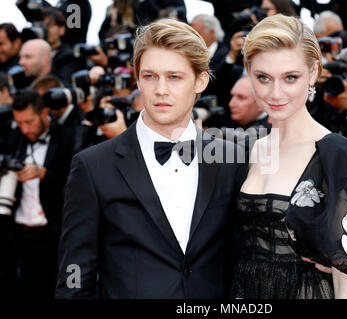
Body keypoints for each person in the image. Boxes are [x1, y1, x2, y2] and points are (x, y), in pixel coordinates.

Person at [55, 18, 244, 299]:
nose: (161, 90)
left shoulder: (231, 160)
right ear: (137, 79)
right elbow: (74, 277)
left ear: (200, 80)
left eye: (174, 77)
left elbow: (241, 261)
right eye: (150, 76)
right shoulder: (93, 167)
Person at [230, 14, 347, 299]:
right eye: (263, 77)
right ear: (248, 72)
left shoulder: (343, 158)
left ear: (313, 72)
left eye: (291, 77)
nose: (276, 93)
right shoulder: (244, 150)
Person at [6, 88, 74, 299]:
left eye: (29, 122)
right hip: (19, 231)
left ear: (45, 113)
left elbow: (75, 184)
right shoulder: (15, 137)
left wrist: (43, 174)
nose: (24, 129)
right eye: (20, 123)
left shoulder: (66, 137)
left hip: (52, 231)